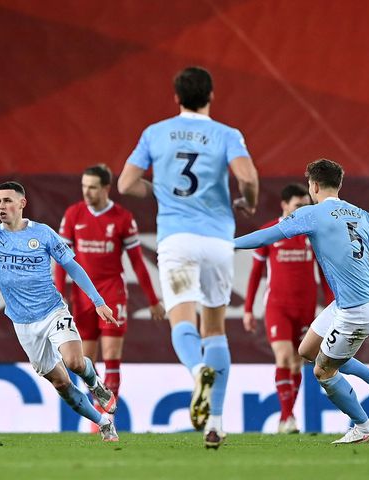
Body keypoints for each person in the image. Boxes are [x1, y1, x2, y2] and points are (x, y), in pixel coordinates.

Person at [0, 153, 121, 442]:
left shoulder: (43, 234)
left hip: (52, 312)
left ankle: (95, 383)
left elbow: (72, 266)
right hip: (23, 324)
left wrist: (98, 301)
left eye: (7, 201)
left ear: (22, 203)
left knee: (75, 362)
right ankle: (102, 421)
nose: (1, 206)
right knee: (61, 382)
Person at [117, 66, 259, 448]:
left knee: (183, 318)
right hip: (217, 243)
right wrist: (249, 201)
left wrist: (158, 190)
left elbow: (126, 183)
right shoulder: (227, 134)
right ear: (211, 96)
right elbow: (247, 177)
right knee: (215, 329)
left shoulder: (155, 132)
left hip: (177, 241)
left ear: (176, 98)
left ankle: (197, 372)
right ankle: (215, 422)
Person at [235, 158, 369, 444]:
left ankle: (364, 428)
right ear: (339, 184)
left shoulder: (311, 214)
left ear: (313, 186)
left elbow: (266, 236)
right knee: (308, 349)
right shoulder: (363, 215)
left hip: (355, 311)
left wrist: (229, 243)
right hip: (355, 302)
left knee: (323, 371)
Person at [55, 164, 164, 426]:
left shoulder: (122, 218)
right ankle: (96, 410)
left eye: (92, 187)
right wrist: (60, 294)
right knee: (82, 361)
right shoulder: (73, 215)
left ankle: (104, 421)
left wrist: (152, 299)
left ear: (106, 188)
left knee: (112, 355)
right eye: (84, 186)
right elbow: (59, 259)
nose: (87, 192)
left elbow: (138, 262)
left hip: (112, 292)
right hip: (82, 296)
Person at [242, 184, 334, 433]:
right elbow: (255, 274)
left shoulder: (313, 233)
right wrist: (248, 308)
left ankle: (286, 419)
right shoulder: (271, 232)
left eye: (306, 205)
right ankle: (288, 416)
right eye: (297, 205)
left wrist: (332, 303)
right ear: (284, 206)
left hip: (305, 308)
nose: (303, 210)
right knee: (283, 357)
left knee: (297, 362)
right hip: (278, 307)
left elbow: (325, 274)